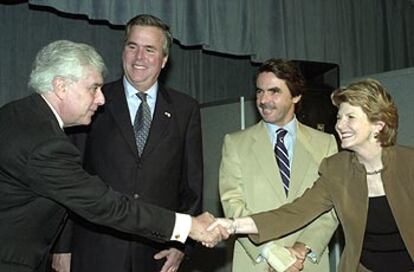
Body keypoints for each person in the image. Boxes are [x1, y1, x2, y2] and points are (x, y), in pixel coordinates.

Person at [0, 39, 223, 272]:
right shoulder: (45, 144)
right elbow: (105, 205)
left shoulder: (16, 114)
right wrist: (187, 225)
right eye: (93, 88)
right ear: (61, 86)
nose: (101, 99)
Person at [211, 79, 414, 272]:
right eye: (339, 117)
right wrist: (232, 224)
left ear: (378, 124)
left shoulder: (409, 164)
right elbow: (292, 214)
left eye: (350, 117)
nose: (339, 126)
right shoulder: (337, 170)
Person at [53, 14, 204, 272]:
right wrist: (62, 247)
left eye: (149, 49)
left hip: (157, 254)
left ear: (164, 59)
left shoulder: (185, 109)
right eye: (132, 46)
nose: (139, 58)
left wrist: (181, 244)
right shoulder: (92, 101)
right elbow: (69, 178)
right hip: (94, 251)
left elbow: (191, 187)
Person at [219, 58, 338, 272]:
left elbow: (332, 207)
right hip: (257, 262)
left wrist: (301, 249)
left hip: (307, 263)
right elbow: (233, 206)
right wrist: (273, 253)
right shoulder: (235, 143)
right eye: (259, 91)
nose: (264, 100)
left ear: (296, 95)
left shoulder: (325, 143)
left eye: (274, 91)